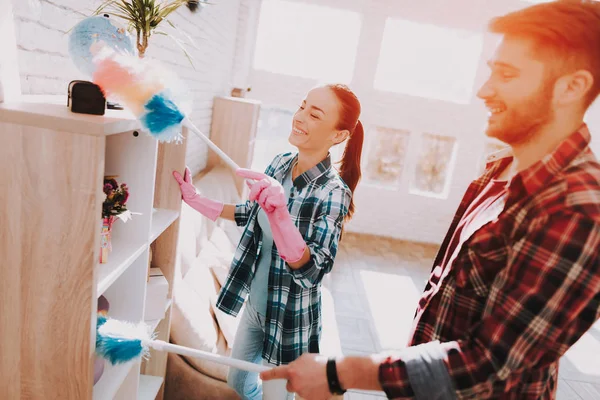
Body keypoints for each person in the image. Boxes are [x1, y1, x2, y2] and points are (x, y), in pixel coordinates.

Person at [260, 1, 600, 399]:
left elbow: (489, 361)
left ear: (571, 87)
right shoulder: (499, 170)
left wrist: (341, 372)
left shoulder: (579, 210)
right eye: (492, 71)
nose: (484, 90)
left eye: (506, 75)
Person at [173, 83, 364, 399]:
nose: (299, 117)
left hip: (290, 320)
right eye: (302, 106)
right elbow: (252, 213)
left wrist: (281, 216)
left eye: (314, 114)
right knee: (238, 387)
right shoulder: (279, 164)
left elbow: (315, 269)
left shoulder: (333, 193)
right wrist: (197, 200)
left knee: (277, 396)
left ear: (338, 135)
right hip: (254, 308)